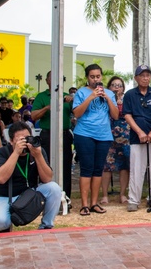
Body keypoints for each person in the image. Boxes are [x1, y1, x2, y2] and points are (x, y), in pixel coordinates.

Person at [0, 121, 62, 231]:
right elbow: (1, 179)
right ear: (11, 141)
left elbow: (47, 178)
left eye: (27, 138)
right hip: (5, 196)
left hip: (29, 193)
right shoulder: (2, 152)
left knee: (54, 188)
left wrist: (38, 156)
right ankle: (6, 226)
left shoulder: (36, 151)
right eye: (20, 140)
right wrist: (16, 153)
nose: (25, 142)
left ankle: (46, 226)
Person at [72, 63, 118, 216]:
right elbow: (77, 114)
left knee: (98, 169)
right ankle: (84, 205)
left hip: (103, 135)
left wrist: (107, 98)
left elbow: (116, 115)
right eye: (92, 77)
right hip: (84, 134)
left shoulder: (109, 94)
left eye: (98, 76)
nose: (95, 79)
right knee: (86, 169)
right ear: (87, 78)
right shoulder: (81, 92)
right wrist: (90, 97)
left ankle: (94, 203)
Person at [123, 65, 151, 211]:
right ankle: (134, 200)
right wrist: (140, 132)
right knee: (137, 169)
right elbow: (127, 115)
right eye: (142, 75)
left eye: (148, 75)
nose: (145, 78)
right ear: (136, 78)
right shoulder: (129, 94)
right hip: (137, 137)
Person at [31, 71, 74, 198]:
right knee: (46, 165)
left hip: (64, 135)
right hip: (47, 135)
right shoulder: (41, 96)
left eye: (60, 79)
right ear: (47, 81)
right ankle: (45, 195)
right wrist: (47, 107)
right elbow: (33, 116)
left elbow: (78, 113)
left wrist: (72, 101)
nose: (56, 81)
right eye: (53, 78)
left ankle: (66, 196)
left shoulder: (67, 97)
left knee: (66, 166)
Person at [102, 76, 131, 204]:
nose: (116, 87)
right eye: (114, 85)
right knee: (107, 166)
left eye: (119, 85)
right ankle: (104, 195)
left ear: (123, 88)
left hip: (125, 136)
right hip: (108, 135)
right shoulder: (104, 99)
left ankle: (122, 194)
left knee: (124, 166)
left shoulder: (128, 100)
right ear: (109, 87)